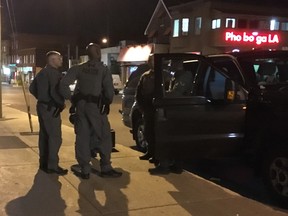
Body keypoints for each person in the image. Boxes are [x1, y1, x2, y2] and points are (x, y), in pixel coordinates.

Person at [60, 43, 122, 179]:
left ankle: (85, 169)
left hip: (81, 107)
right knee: (103, 135)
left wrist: (72, 98)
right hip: (96, 107)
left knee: (83, 136)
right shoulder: (103, 70)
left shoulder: (79, 68)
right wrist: (107, 102)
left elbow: (63, 85)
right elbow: (109, 91)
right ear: (98, 53)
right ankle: (105, 166)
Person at [29, 51, 67, 175]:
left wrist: (41, 98)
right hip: (52, 109)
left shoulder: (42, 73)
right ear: (52, 60)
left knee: (44, 136)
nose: (61, 60)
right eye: (59, 58)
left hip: (42, 107)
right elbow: (54, 92)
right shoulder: (53, 74)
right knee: (55, 137)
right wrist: (59, 103)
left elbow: (32, 88)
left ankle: (43, 163)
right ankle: (52, 165)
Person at [135, 57, 155, 162]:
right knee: (148, 131)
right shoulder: (145, 76)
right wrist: (141, 107)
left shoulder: (164, 75)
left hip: (158, 107)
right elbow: (138, 92)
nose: (153, 63)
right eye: (151, 61)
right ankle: (150, 151)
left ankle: (157, 155)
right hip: (147, 107)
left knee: (158, 132)